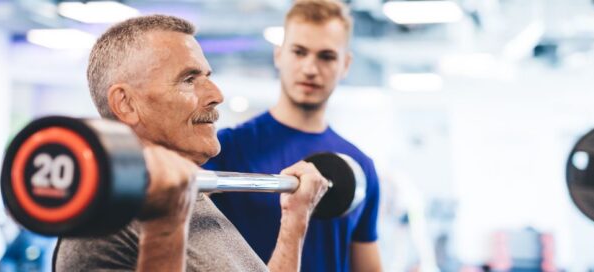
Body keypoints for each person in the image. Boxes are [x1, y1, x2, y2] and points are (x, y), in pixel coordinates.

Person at [53, 14, 330, 272]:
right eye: (188, 79)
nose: (216, 94)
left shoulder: (193, 197)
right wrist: (164, 227)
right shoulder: (104, 227)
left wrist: (295, 221)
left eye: (207, 77)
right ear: (126, 104)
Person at [203, 0, 382, 271]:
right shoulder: (224, 147)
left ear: (345, 64)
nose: (310, 68)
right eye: (299, 52)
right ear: (279, 55)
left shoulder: (360, 166)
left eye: (326, 56)